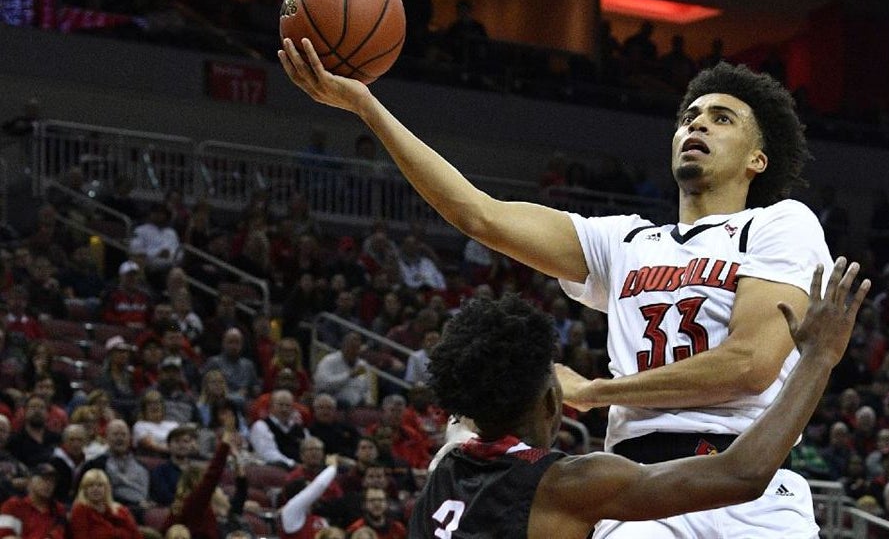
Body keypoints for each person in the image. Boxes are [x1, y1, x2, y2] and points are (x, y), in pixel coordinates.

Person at [280, 39, 834, 537]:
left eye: (721, 118)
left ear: (758, 159)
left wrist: (598, 392)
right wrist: (365, 107)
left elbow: (749, 365)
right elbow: (479, 215)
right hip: (637, 490)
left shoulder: (781, 223)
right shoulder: (623, 241)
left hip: (753, 488)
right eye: (689, 117)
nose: (697, 126)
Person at [409, 260, 867, 538]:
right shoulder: (567, 484)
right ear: (552, 403)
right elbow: (741, 473)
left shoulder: (442, 473)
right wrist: (817, 360)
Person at [68, 469, 142, 539]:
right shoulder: (80, 509)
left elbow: (135, 534)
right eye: (90, 485)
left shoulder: (120, 510)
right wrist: (117, 532)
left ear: (106, 488)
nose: (95, 489)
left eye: (100, 485)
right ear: (84, 490)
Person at [0, 463, 66, 539]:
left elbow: (58, 535)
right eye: (44, 479)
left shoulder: (58, 510)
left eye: (52, 481)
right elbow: (4, 535)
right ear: (30, 480)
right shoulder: (13, 505)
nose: (49, 484)